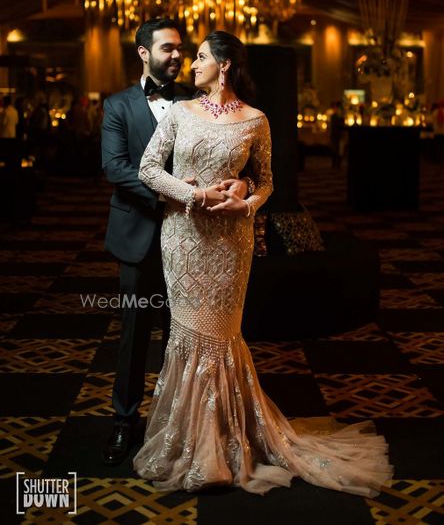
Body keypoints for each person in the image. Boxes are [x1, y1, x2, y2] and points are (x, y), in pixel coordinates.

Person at [133, 31, 393, 496]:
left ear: (226, 65)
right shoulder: (178, 112)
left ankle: (226, 440)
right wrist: (194, 193)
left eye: (200, 57)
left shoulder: (256, 120)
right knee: (187, 333)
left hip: (231, 242)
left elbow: (267, 182)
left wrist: (246, 201)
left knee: (222, 334)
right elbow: (148, 169)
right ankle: (189, 443)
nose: (191, 65)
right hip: (184, 240)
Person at [101, 19, 247, 466]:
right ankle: (125, 423)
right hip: (140, 237)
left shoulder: (198, 100)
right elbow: (116, 167)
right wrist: (170, 189)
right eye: (168, 48)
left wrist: (241, 186)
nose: (178, 56)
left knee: (181, 335)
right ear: (144, 53)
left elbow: (231, 151)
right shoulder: (118, 105)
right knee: (134, 336)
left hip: (195, 241)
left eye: (183, 49)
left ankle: (176, 424)